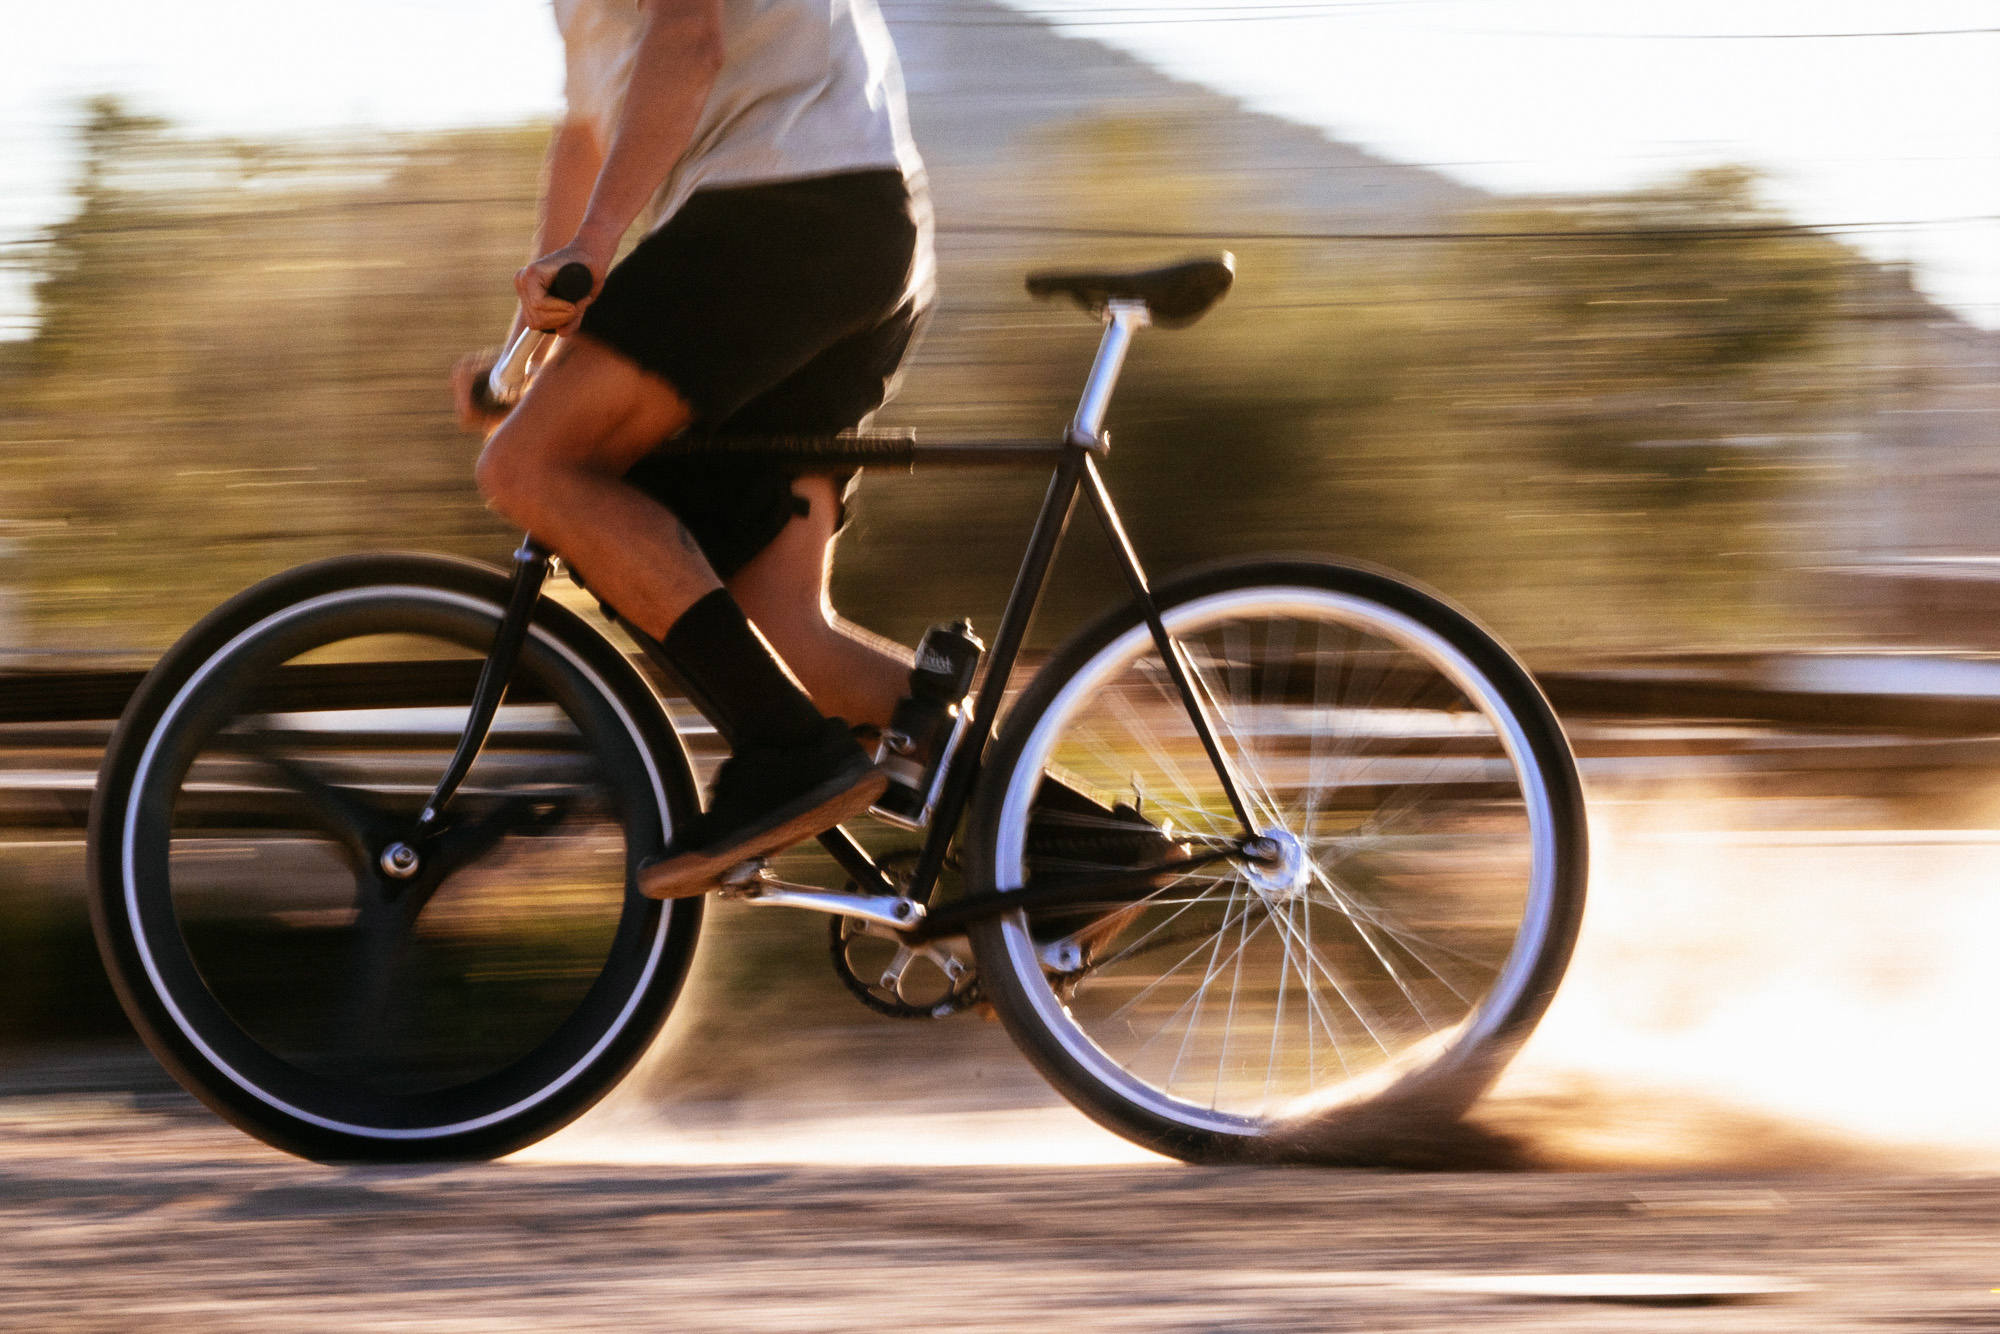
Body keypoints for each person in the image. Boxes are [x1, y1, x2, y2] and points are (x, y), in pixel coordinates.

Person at [453, 0, 931, 897]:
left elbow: (686, 40)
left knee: (531, 467)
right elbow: (589, 124)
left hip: (784, 208)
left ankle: (791, 754)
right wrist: (540, 336)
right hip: (850, 223)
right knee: (787, 636)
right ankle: (1076, 836)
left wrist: (596, 246)